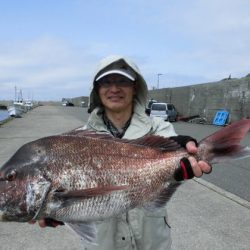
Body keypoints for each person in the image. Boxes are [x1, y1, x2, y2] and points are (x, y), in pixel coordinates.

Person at [34, 55, 211, 249]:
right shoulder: (80, 140)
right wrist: (61, 213)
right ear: (97, 90)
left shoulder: (159, 127)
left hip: (153, 242)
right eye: (106, 82)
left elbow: (175, 163)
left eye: (123, 81)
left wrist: (181, 157)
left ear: (135, 87)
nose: (115, 88)